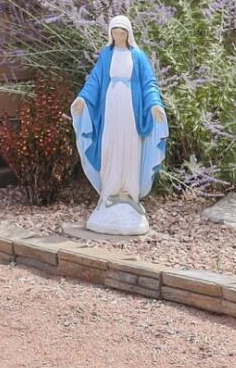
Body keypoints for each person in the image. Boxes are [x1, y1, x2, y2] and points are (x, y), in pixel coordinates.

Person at [69, 15, 165, 235]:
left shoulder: (138, 56)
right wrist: (83, 98)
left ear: (128, 34)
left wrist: (154, 105)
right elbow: (94, 80)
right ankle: (110, 192)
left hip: (131, 111)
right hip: (110, 109)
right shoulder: (106, 55)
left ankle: (129, 193)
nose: (119, 36)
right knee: (111, 147)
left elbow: (149, 83)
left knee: (130, 147)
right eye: (115, 33)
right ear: (110, 34)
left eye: (122, 33)